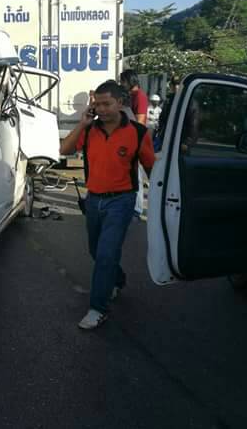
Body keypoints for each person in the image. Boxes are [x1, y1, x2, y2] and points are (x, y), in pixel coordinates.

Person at [60, 80, 156, 330]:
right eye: (97, 104)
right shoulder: (90, 130)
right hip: (94, 200)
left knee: (105, 254)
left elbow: (150, 167)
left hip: (121, 201)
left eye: (106, 104)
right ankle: (117, 280)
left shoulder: (137, 132)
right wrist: (82, 123)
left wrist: (160, 196)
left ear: (120, 103)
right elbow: (64, 149)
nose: (101, 109)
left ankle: (98, 308)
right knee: (96, 251)